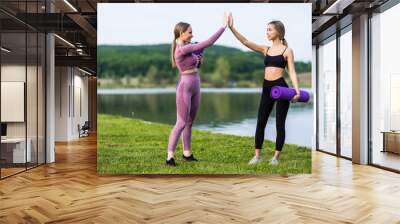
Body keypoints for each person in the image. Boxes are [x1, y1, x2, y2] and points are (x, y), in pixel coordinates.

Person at [228, 13, 301, 165]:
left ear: (278, 32)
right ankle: (257, 156)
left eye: (269, 30)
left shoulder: (287, 51)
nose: (267, 32)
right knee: (261, 121)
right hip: (267, 88)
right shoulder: (265, 49)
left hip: (281, 88)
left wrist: (297, 91)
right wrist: (232, 28)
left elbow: (292, 71)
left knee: (280, 123)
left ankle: (275, 158)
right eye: (266, 30)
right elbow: (246, 42)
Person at [166, 12, 230, 166]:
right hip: (185, 87)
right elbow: (208, 42)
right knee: (181, 123)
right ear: (181, 34)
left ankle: (187, 154)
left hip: (196, 83)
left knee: (189, 122)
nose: (192, 34)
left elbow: (196, 64)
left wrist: (199, 60)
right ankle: (169, 157)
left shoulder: (188, 47)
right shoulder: (181, 49)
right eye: (189, 32)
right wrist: (223, 27)